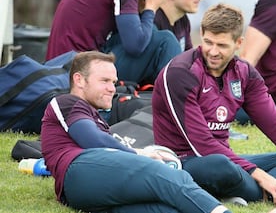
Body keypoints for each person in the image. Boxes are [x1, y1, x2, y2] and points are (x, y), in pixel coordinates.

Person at [152, 3, 276, 206]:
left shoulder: (245, 73)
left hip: (230, 162)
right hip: (187, 161)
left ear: (238, 42)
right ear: (201, 35)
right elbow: (202, 144)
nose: (213, 51)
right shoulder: (181, 72)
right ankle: (263, 190)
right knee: (220, 166)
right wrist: (263, 177)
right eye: (208, 42)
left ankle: (244, 191)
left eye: (221, 45)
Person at [40, 51, 232, 213]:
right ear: (79, 80)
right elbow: (93, 140)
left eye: (113, 82)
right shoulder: (66, 102)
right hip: (78, 172)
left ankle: (219, 200)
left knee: (167, 207)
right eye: (105, 81)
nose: (111, 89)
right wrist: (140, 154)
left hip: (87, 190)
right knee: (167, 175)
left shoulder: (95, 116)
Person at [46, 0, 181, 85]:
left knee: (152, 31)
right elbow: (135, 45)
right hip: (74, 73)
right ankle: (174, 107)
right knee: (165, 41)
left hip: (64, 67)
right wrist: (150, 8)